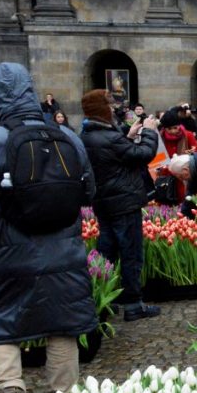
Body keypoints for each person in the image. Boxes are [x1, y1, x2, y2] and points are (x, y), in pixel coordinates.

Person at [0, 63, 98, 393]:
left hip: (8, 251)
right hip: (64, 251)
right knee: (64, 324)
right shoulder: (66, 136)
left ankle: (9, 386)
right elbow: (88, 192)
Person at [79, 88, 162, 322]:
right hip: (124, 201)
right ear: (101, 109)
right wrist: (149, 132)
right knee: (131, 252)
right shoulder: (109, 137)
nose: (113, 108)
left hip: (104, 202)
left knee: (107, 251)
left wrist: (127, 135)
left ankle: (106, 299)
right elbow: (143, 153)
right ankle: (134, 304)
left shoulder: (87, 136)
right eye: (109, 103)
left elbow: (113, 155)